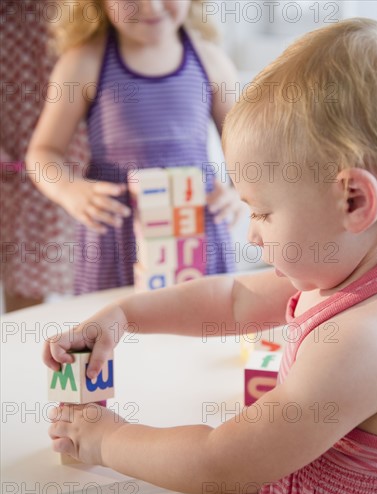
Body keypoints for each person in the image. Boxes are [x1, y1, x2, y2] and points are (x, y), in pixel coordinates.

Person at [45, 18, 377, 494]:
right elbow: (235, 299)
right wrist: (127, 315)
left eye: (262, 212)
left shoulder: (367, 339)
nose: (252, 234)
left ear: (353, 200)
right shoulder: (354, 268)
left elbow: (223, 461)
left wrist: (108, 439)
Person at [26, 0, 242, 295]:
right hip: (116, 238)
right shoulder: (83, 62)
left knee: (204, 328)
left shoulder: (211, 61)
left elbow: (245, 146)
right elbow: (42, 153)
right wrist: (69, 190)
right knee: (113, 330)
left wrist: (238, 192)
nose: (151, 7)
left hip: (195, 231)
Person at [0, 0, 88, 312]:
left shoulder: (78, 11)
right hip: (12, 168)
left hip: (75, 164)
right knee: (22, 290)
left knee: (86, 280)